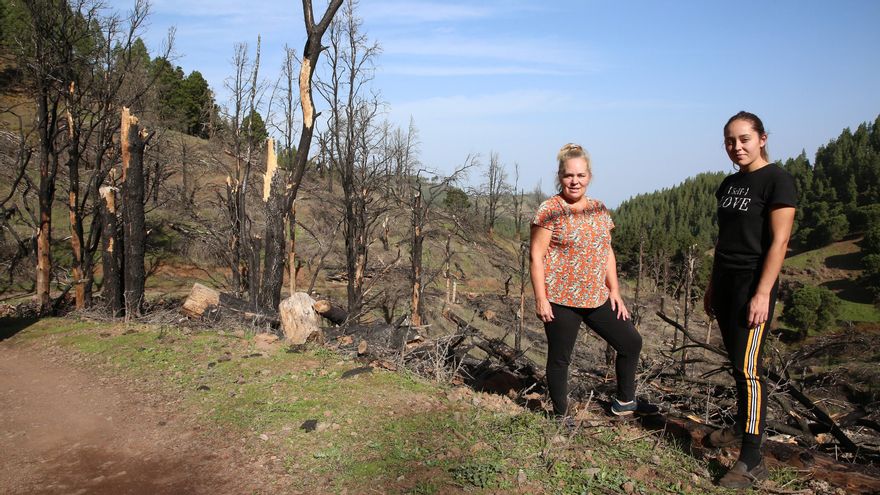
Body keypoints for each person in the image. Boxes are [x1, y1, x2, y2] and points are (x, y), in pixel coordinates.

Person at [530, 143, 657, 423]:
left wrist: (615, 291)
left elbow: (606, 251)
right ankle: (561, 415)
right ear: (560, 176)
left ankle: (625, 401)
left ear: (589, 176)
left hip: (596, 296)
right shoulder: (549, 209)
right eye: (568, 176)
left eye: (580, 175)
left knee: (631, 342)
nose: (574, 181)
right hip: (560, 298)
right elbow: (536, 256)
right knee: (561, 358)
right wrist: (541, 297)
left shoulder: (599, 209)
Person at [704, 111, 797, 489]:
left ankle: (752, 459)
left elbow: (779, 242)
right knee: (736, 364)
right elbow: (724, 239)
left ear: (762, 138)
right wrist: (711, 285)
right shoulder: (729, 184)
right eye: (730, 140)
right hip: (725, 282)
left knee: (748, 370)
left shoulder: (778, 180)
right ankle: (744, 426)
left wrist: (762, 293)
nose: (736, 147)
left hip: (751, 286)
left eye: (744, 139)